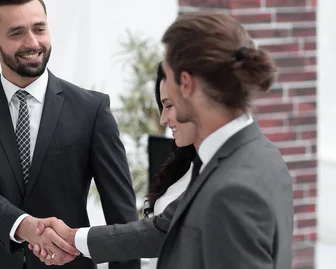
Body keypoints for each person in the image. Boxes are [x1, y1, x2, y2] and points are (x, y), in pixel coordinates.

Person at [30, 12, 294, 269]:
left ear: (186, 83)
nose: (163, 113)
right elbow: (163, 229)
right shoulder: (247, 155)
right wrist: (73, 238)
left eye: (165, 74)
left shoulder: (233, 190)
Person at [0, 0, 140, 268]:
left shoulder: (92, 110)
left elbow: (121, 214)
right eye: (16, 33)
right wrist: (27, 227)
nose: (32, 43)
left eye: (39, 29)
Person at [141, 62, 199, 269]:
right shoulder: (184, 163)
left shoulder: (220, 172)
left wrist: (76, 239)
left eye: (168, 105)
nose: (163, 119)